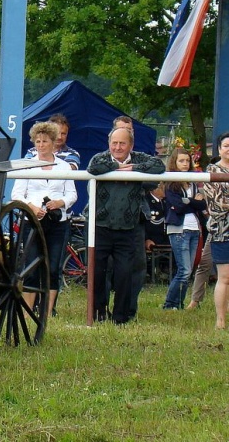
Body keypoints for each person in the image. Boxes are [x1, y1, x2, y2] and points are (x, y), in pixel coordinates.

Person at [87, 126, 165, 324]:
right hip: (100, 226)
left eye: (122, 143)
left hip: (128, 228)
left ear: (131, 145)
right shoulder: (100, 157)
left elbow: (159, 166)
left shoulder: (139, 158)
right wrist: (117, 167)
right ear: (109, 143)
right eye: (114, 143)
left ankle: (121, 318)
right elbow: (93, 168)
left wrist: (132, 169)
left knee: (124, 274)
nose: (118, 147)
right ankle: (98, 313)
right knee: (98, 273)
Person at [11, 121, 77, 317]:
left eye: (45, 141)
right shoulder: (27, 166)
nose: (41, 145)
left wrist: (59, 202)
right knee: (31, 266)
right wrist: (32, 207)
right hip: (32, 221)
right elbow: (16, 194)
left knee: (53, 267)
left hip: (57, 222)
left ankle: (47, 312)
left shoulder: (64, 166)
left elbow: (72, 194)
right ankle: (27, 311)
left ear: (53, 142)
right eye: (38, 141)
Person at [161, 148, 207, 310]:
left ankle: (178, 304)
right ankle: (170, 304)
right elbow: (178, 206)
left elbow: (202, 204)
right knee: (184, 270)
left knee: (189, 269)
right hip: (179, 229)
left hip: (194, 228)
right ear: (174, 162)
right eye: (181, 161)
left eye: (187, 161)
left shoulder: (193, 182)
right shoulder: (171, 184)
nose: (185, 164)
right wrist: (193, 201)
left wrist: (189, 201)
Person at [202, 133, 229, 329]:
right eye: (226, 145)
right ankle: (220, 320)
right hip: (222, 231)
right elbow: (217, 205)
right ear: (219, 149)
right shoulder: (212, 170)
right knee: (225, 277)